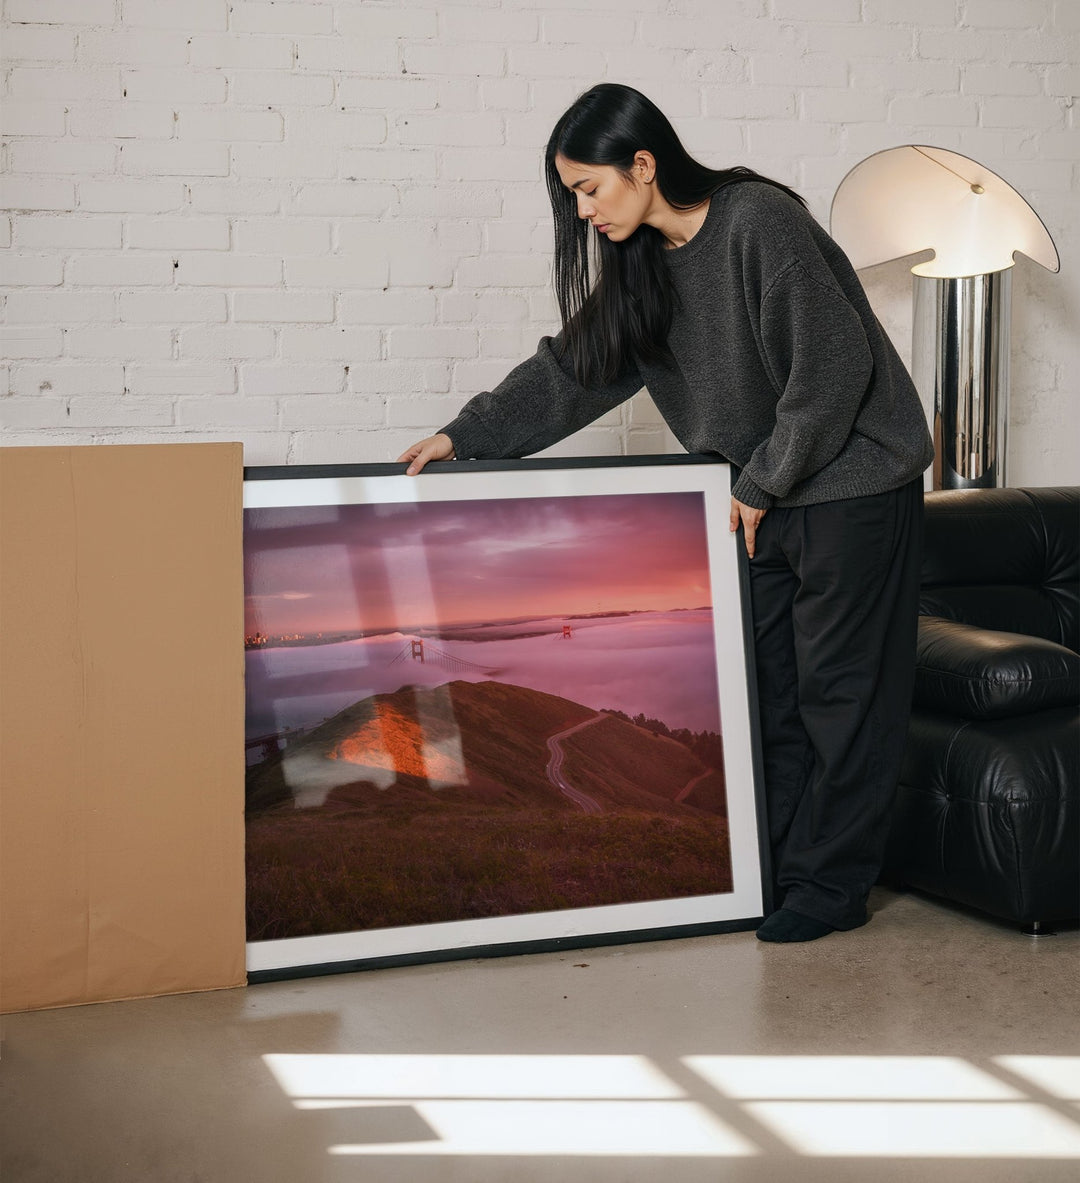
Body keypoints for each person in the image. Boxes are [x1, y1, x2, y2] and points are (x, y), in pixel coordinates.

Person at [398, 83, 934, 943]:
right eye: (571, 196)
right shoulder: (642, 263)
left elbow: (831, 372)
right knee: (771, 696)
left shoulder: (758, 222)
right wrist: (467, 436)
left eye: (590, 189)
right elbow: (575, 369)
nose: (582, 213)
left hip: (851, 481)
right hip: (762, 493)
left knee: (844, 695)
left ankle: (830, 888)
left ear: (643, 165)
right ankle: (778, 872)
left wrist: (762, 481)